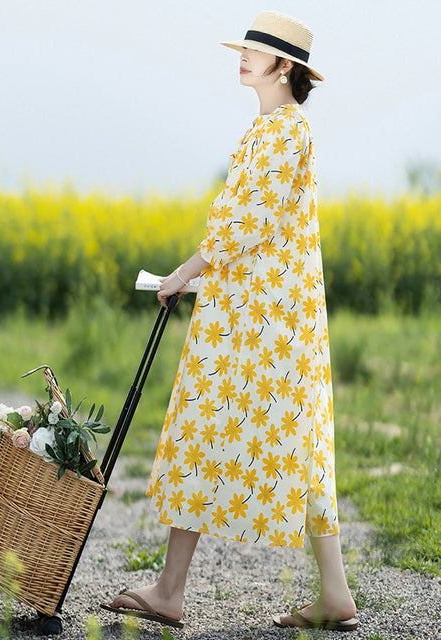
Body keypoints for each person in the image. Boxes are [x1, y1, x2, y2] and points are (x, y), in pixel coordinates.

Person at [102, 10, 358, 632]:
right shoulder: (270, 130)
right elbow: (256, 239)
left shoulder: (283, 134)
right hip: (257, 317)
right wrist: (201, 278)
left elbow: (247, 228)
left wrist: (183, 273)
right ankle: (329, 595)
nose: (241, 58)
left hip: (259, 328)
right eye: (243, 49)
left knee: (204, 430)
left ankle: (172, 590)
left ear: (285, 67)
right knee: (287, 442)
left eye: (254, 51)